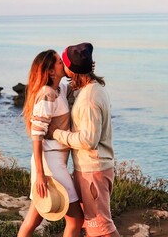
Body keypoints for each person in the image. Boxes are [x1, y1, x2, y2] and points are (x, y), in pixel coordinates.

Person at [48, 42, 121, 237]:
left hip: (93, 171)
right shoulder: (91, 89)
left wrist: (56, 133)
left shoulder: (89, 99)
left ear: (72, 69)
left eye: (64, 64)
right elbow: (72, 95)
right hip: (90, 169)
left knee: (102, 227)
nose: (61, 67)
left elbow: (89, 140)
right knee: (92, 226)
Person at [17, 49, 84, 237]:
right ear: (51, 72)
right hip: (50, 163)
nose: (63, 62)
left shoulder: (61, 89)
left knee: (35, 216)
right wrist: (40, 175)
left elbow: (80, 85)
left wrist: (85, 69)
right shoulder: (47, 94)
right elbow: (36, 136)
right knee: (76, 219)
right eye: (58, 62)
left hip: (56, 160)